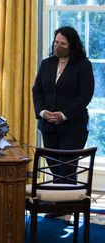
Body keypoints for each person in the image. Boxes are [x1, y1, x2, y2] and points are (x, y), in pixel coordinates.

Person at [32, 26, 94, 224]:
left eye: (62, 43)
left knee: (67, 168)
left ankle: (69, 211)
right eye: (56, 42)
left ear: (71, 45)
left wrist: (64, 114)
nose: (57, 46)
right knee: (54, 168)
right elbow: (37, 91)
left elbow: (85, 95)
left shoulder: (83, 65)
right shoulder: (47, 63)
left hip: (73, 126)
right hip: (48, 125)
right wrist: (42, 112)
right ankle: (58, 208)